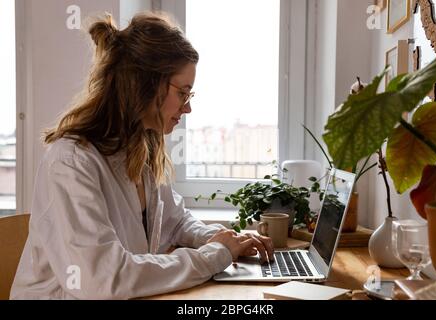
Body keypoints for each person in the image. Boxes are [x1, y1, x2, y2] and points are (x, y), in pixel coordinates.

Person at [10, 12, 273, 300]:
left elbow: (176, 221)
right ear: (145, 84)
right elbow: (105, 279)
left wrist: (224, 240)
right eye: (183, 93)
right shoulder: (72, 162)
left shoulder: (141, 146)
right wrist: (215, 255)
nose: (187, 109)